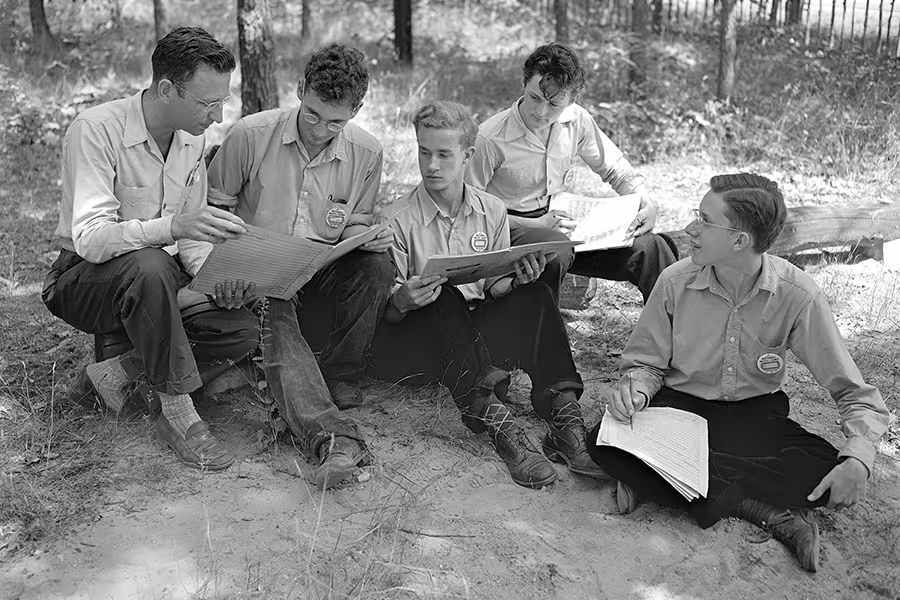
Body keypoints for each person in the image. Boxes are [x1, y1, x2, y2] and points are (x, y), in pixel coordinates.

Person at [586, 173, 889, 572]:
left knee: (828, 468)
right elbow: (646, 364)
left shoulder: (798, 295)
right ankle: (765, 510)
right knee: (602, 441)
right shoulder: (674, 282)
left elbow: (853, 393)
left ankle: (666, 481)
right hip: (680, 410)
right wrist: (636, 391)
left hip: (753, 416)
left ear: (739, 240)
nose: (691, 228)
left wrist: (860, 457)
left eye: (704, 220)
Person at [42, 27, 260, 471]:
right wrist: (171, 227)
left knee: (242, 329)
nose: (217, 116)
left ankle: (113, 374)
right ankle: (177, 414)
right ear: (166, 89)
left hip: (161, 279)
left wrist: (213, 281)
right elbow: (91, 238)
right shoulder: (95, 130)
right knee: (150, 262)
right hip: (85, 280)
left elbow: (193, 233)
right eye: (207, 103)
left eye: (223, 101)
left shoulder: (193, 138)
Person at [367, 100, 609, 489]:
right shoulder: (396, 220)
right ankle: (498, 424)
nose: (431, 166)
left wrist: (516, 281)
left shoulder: (491, 210)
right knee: (440, 293)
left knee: (536, 293)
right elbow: (384, 319)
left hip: (475, 339)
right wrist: (401, 301)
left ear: (467, 155)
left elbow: (492, 288)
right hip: (424, 347)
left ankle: (564, 416)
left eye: (444, 155)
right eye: (424, 152)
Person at [193, 43, 394, 490]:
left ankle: (339, 374)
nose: (322, 130)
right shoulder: (249, 134)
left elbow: (354, 220)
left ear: (357, 109)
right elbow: (212, 211)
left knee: (378, 266)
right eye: (313, 114)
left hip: (320, 263)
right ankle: (333, 437)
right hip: (258, 266)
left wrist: (367, 235)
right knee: (275, 305)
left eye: (337, 121)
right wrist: (222, 270)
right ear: (300, 90)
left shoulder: (368, 151)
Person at [466, 42, 677, 305]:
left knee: (652, 248)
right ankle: (543, 339)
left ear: (571, 99)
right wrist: (536, 225)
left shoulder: (577, 120)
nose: (541, 112)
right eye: (534, 98)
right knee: (554, 251)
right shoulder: (490, 137)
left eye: (554, 104)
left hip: (565, 223)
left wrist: (645, 202)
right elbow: (470, 213)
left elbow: (614, 168)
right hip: (512, 228)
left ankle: (676, 334)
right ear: (523, 85)